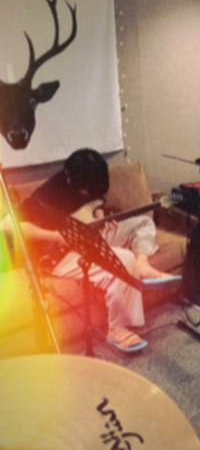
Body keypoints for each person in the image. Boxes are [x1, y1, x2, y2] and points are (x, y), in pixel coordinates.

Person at [1, 148, 180, 352]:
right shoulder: (48, 193)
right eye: (88, 190)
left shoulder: (92, 180)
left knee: (143, 223)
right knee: (124, 258)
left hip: (89, 237)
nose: (91, 193)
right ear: (72, 181)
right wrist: (57, 237)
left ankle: (142, 265)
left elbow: (96, 204)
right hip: (60, 255)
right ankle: (117, 328)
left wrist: (100, 218)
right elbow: (8, 224)